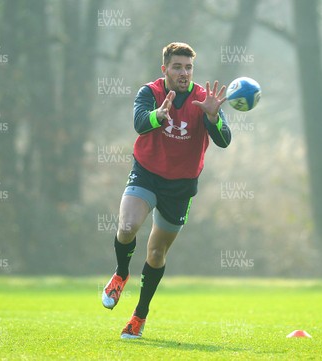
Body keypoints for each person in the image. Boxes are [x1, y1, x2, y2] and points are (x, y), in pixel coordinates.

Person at [101, 42, 231, 338]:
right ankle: (121, 273)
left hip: (181, 185)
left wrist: (213, 117)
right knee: (127, 226)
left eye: (188, 67)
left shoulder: (202, 99)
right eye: (177, 67)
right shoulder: (149, 92)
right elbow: (138, 123)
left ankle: (139, 317)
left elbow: (224, 140)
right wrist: (158, 116)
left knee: (157, 252)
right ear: (165, 69)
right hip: (146, 173)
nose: (184, 72)